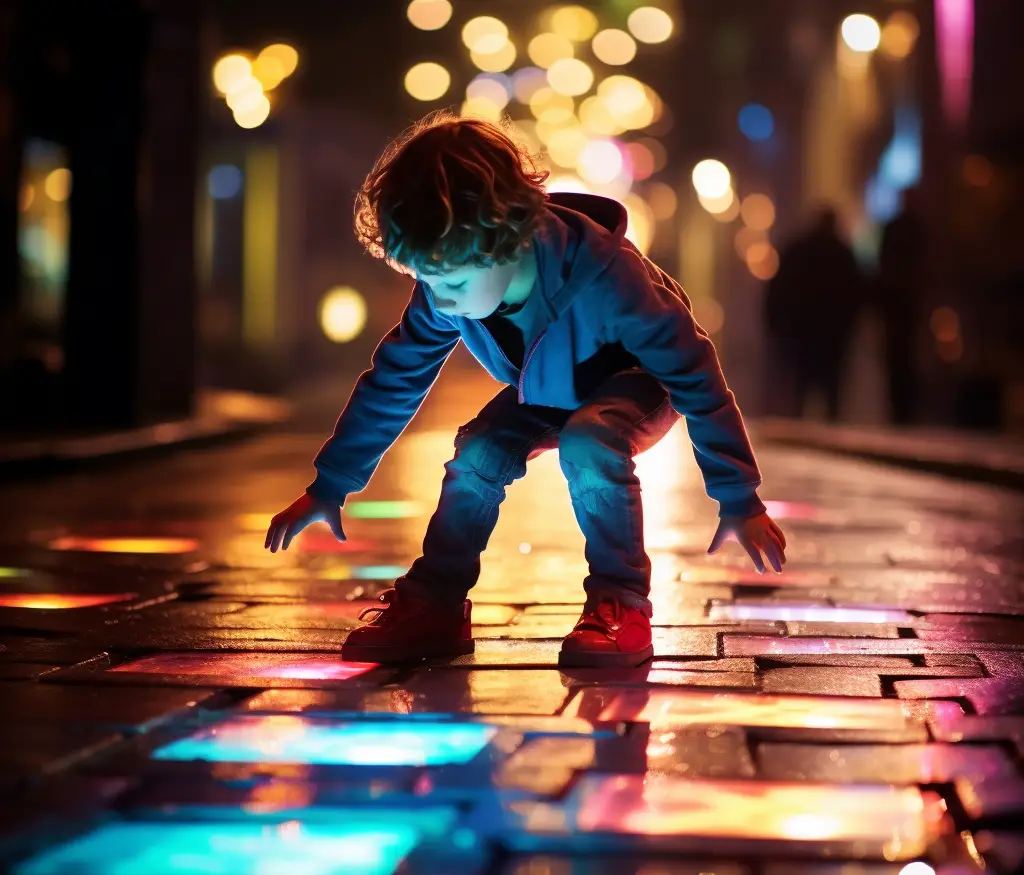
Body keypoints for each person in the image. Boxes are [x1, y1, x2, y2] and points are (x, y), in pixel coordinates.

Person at [265, 112, 786, 668]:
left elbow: (695, 374)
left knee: (591, 441)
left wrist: (739, 497)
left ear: (507, 240)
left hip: (639, 381)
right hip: (547, 386)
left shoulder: (611, 279)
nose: (439, 300)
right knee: (478, 452)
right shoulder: (451, 278)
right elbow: (395, 377)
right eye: (426, 281)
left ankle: (620, 602)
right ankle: (435, 602)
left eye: (454, 283)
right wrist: (330, 484)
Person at [765, 206, 863, 421]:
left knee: (800, 386)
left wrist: (776, 326)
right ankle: (831, 427)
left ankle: (799, 427)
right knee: (832, 390)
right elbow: (856, 294)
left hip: (801, 333)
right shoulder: (843, 254)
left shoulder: (797, 251)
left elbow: (778, 292)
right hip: (833, 334)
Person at [877, 188, 926, 424]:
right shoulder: (919, 230)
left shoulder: (897, 229)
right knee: (903, 358)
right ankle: (904, 412)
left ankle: (901, 411)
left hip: (898, 305)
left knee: (898, 359)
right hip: (906, 304)